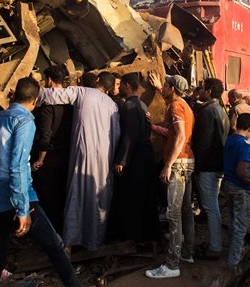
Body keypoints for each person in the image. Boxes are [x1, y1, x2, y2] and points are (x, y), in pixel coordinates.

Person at [0, 77, 81, 287]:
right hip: (19, 200)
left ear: (14, 96)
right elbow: (18, 165)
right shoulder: (25, 121)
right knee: (55, 246)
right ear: (35, 100)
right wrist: (22, 209)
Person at [37, 71, 120, 251]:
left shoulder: (82, 92)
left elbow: (54, 95)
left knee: (77, 193)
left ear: (97, 80)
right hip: (104, 158)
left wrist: (32, 94)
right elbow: (116, 134)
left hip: (83, 153)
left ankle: (69, 242)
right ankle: (95, 240)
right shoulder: (113, 105)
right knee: (99, 197)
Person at [145, 73, 195, 279]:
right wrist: (154, 127)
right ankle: (187, 253)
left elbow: (181, 136)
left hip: (179, 163)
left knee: (173, 213)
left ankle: (172, 264)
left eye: (165, 85)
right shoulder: (184, 105)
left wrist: (168, 164)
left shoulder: (175, 107)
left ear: (172, 88)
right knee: (185, 210)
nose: (162, 87)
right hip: (187, 161)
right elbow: (174, 133)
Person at [110, 73, 159, 243]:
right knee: (145, 196)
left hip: (136, 156)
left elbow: (129, 136)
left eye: (121, 85)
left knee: (133, 196)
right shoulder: (142, 105)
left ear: (127, 85)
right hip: (145, 154)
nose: (119, 88)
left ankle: (133, 236)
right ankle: (147, 235)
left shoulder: (129, 106)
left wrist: (121, 160)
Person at [31, 65, 73, 233]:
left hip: (50, 156)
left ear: (48, 80)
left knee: (50, 196)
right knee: (64, 193)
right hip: (67, 154)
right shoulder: (72, 102)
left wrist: (40, 158)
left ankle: (51, 232)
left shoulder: (47, 105)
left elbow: (45, 134)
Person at [191, 78, 230, 260]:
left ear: (208, 91)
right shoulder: (221, 110)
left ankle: (215, 246)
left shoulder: (208, 112)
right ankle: (213, 243)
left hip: (208, 166)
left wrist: (197, 167)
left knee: (210, 207)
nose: (200, 92)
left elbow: (203, 144)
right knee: (212, 205)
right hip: (218, 164)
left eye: (203, 89)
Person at [223, 113, 250, 274]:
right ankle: (234, 262)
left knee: (232, 220)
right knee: (240, 226)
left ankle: (236, 250)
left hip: (228, 185)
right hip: (240, 188)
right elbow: (242, 171)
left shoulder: (230, 139)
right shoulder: (245, 146)